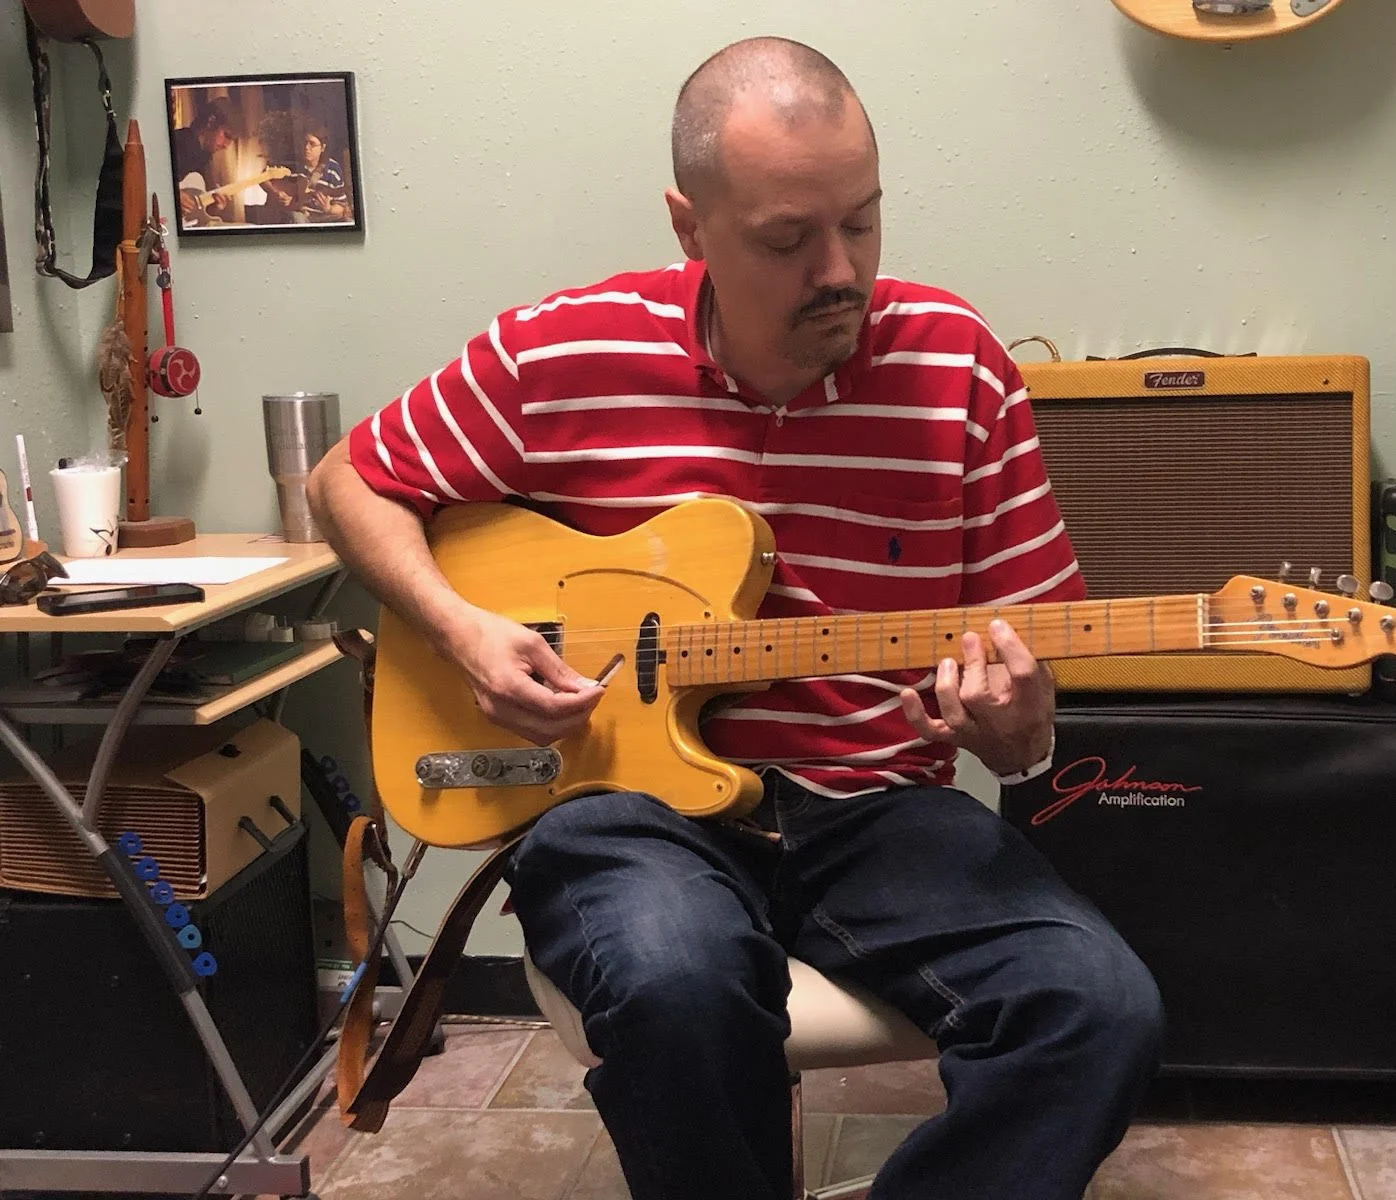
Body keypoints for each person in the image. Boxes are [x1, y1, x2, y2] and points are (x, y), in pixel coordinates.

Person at [307, 35, 1162, 1200]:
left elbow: (1023, 727)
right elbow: (346, 481)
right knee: (674, 984)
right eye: (785, 238)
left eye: (861, 222)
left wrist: (1008, 729)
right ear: (687, 223)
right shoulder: (563, 349)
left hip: (877, 809)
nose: (838, 268)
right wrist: (460, 629)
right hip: (619, 806)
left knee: (1097, 1007)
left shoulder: (958, 370)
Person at [260, 124, 352, 223]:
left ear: (322, 147)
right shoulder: (290, 163)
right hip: (297, 216)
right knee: (296, 217)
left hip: (323, 218)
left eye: (312, 144)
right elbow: (262, 178)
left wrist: (329, 208)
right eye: (304, 142)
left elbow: (342, 207)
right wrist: (275, 193)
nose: (306, 147)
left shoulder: (332, 169)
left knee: (348, 222)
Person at [171, 98, 236, 226]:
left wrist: (216, 205)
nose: (227, 145)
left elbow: (199, 210)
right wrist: (173, 194)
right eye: (226, 135)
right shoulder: (175, 141)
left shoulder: (205, 157)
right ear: (211, 122)